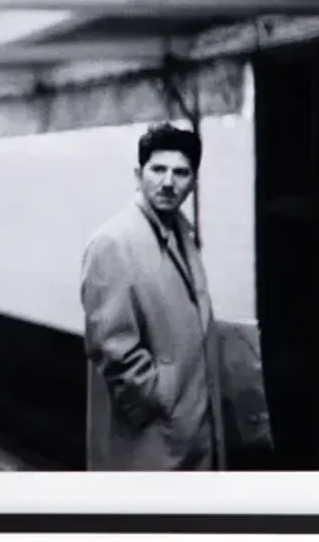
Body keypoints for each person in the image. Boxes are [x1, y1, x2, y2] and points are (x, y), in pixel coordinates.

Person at [79, 122, 226, 471]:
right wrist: (160, 402)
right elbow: (111, 345)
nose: (168, 182)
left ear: (193, 182)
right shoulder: (113, 242)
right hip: (153, 441)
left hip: (191, 430)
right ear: (138, 174)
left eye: (181, 173)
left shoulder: (181, 233)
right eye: (157, 169)